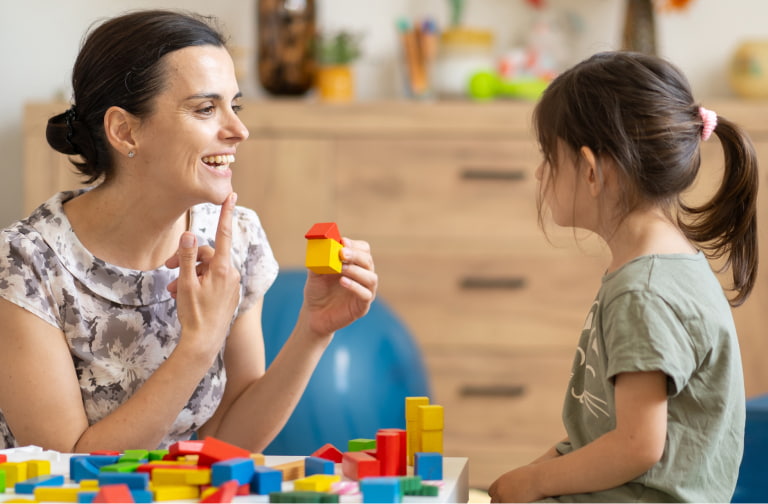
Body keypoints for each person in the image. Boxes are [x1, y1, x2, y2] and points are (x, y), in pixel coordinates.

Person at [0, 9, 377, 454]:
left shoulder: (235, 237)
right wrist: (198, 344)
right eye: (205, 108)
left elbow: (226, 441)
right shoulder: (24, 264)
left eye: (234, 106)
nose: (239, 130)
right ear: (124, 130)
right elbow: (67, 469)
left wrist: (314, 332)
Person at [489, 51, 757, 503]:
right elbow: (608, 431)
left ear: (591, 171)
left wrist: (533, 482)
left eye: (548, 158)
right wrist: (537, 470)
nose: (539, 172)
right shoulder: (662, 267)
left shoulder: (643, 291)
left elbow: (637, 446)